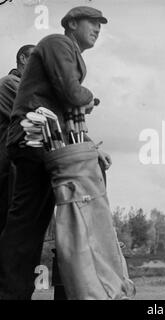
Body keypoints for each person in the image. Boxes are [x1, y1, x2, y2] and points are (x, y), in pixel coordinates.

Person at [0, 6, 110, 300]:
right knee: (32, 221)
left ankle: (63, 289)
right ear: (71, 23)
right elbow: (71, 94)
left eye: (101, 24)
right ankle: (12, 293)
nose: (98, 28)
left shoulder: (71, 54)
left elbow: (64, 108)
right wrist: (90, 98)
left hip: (50, 142)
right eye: (92, 22)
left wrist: (88, 145)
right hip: (34, 139)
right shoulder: (58, 43)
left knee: (62, 216)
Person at [0, 44, 35, 235]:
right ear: (23, 58)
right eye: (35, 59)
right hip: (7, 167)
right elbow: (36, 114)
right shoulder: (10, 84)